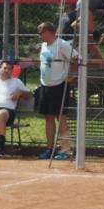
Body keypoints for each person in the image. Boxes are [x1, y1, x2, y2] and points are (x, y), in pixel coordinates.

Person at [33, 21, 74, 159]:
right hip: (45, 86)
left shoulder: (62, 44)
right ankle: (50, 149)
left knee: (61, 117)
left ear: (49, 32)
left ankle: (66, 150)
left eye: (41, 33)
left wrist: (71, 75)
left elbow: (76, 58)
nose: (40, 36)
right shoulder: (44, 45)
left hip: (59, 86)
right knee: (48, 118)